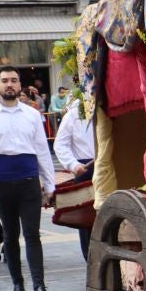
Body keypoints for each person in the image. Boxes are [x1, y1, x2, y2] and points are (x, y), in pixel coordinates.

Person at [0, 67, 56, 291]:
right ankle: (18, 284)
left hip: (29, 181)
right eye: (5, 81)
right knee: (10, 236)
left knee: (33, 235)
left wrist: (50, 184)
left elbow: (42, 150)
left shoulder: (31, 115)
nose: (9, 84)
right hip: (2, 182)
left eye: (14, 80)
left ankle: (39, 286)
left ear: (20, 85)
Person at [54, 100, 98, 263]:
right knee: (87, 215)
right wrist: (73, 164)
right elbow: (60, 145)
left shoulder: (109, 107)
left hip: (108, 163)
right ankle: (90, 258)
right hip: (85, 168)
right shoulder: (74, 114)